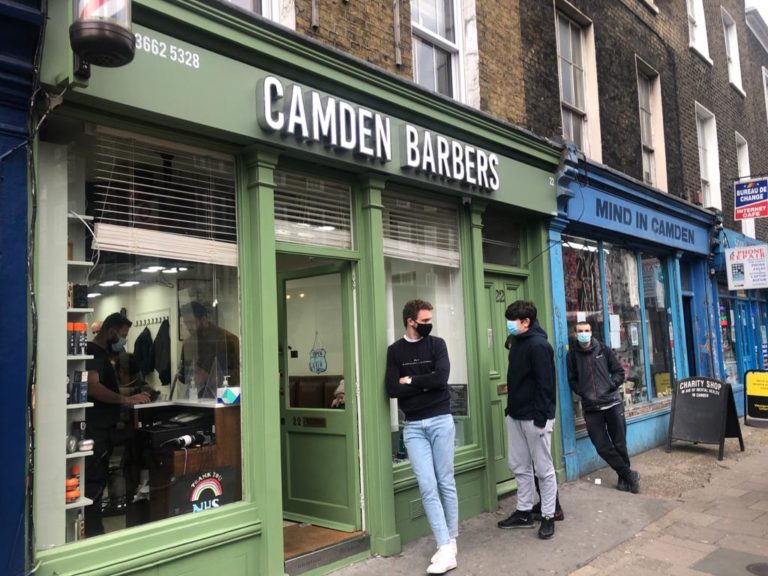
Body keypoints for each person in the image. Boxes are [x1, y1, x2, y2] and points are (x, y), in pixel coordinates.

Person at [386, 299, 458, 574]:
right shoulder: (395, 351)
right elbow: (392, 388)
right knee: (427, 485)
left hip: (441, 419)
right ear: (410, 321)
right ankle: (444, 545)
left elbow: (441, 379)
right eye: (425, 321)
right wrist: (420, 383)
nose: (429, 325)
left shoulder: (437, 345)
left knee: (446, 482)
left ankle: (451, 541)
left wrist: (412, 381)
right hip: (413, 426)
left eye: (430, 320)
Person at [84, 313, 151, 537]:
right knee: (93, 486)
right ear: (111, 329)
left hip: (105, 431)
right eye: (122, 335)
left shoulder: (103, 355)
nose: (123, 340)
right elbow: (92, 388)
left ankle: (96, 531)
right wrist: (126, 400)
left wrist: (133, 393)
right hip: (96, 431)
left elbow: (107, 388)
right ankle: (93, 535)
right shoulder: (93, 352)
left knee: (99, 481)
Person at [497, 300, 558, 540]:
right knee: (519, 466)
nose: (509, 325)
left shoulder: (539, 345)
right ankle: (523, 511)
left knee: (543, 468)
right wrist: (510, 410)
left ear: (526, 322)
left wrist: (541, 418)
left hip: (535, 417)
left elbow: (546, 384)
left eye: (513, 321)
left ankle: (548, 516)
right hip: (516, 414)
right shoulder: (517, 342)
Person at [567, 320, 640, 494]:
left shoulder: (603, 350)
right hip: (591, 408)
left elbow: (619, 372)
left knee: (619, 443)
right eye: (580, 331)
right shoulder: (572, 356)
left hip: (612, 403)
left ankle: (624, 479)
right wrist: (583, 392)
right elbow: (572, 380)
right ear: (575, 334)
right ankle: (629, 475)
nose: (583, 333)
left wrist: (610, 385)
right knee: (601, 446)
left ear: (591, 332)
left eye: (586, 330)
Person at [178, 301, 240, 398]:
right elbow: (182, 376)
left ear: (203, 319)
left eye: (191, 322)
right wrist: (189, 374)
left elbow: (238, 374)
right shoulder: (188, 343)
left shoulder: (227, 340)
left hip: (225, 398)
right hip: (196, 399)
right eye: (186, 323)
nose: (188, 327)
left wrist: (209, 377)